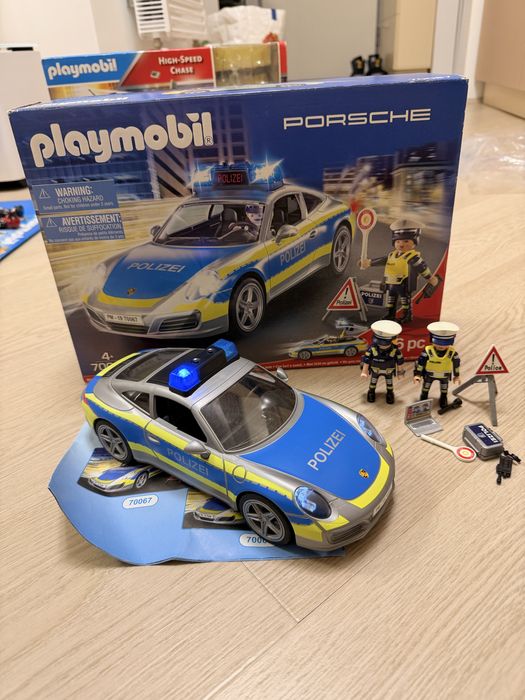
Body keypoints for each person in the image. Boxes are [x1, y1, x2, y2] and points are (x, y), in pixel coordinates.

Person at [359, 218, 438, 323]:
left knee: (405, 300)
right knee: (390, 300)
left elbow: (422, 267)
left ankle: (407, 315)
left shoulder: (412, 257)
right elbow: (382, 260)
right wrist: (369, 262)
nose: (401, 244)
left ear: (415, 242)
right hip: (390, 283)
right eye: (398, 241)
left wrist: (430, 277)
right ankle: (390, 314)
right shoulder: (392, 255)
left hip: (404, 283)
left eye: (406, 241)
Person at [414, 321, 461, 409]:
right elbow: (421, 363)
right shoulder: (427, 351)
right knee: (425, 388)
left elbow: (456, 365)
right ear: (432, 340)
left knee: (444, 389)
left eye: (445, 343)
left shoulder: (452, 353)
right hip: (429, 375)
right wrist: (418, 374)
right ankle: (423, 397)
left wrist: (457, 376)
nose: (441, 346)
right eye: (438, 342)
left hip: (444, 376)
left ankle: (443, 398)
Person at [360, 320, 405, 404]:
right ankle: (371, 392)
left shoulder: (395, 350)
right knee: (373, 382)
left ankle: (390, 393)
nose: (382, 345)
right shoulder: (372, 349)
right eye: (380, 343)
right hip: (375, 370)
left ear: (393, 341)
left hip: (389, 371)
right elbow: (366, 360)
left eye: (385, 343)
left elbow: (400, 362)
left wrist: (400, 373)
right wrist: (364, 372)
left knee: (389, 384)